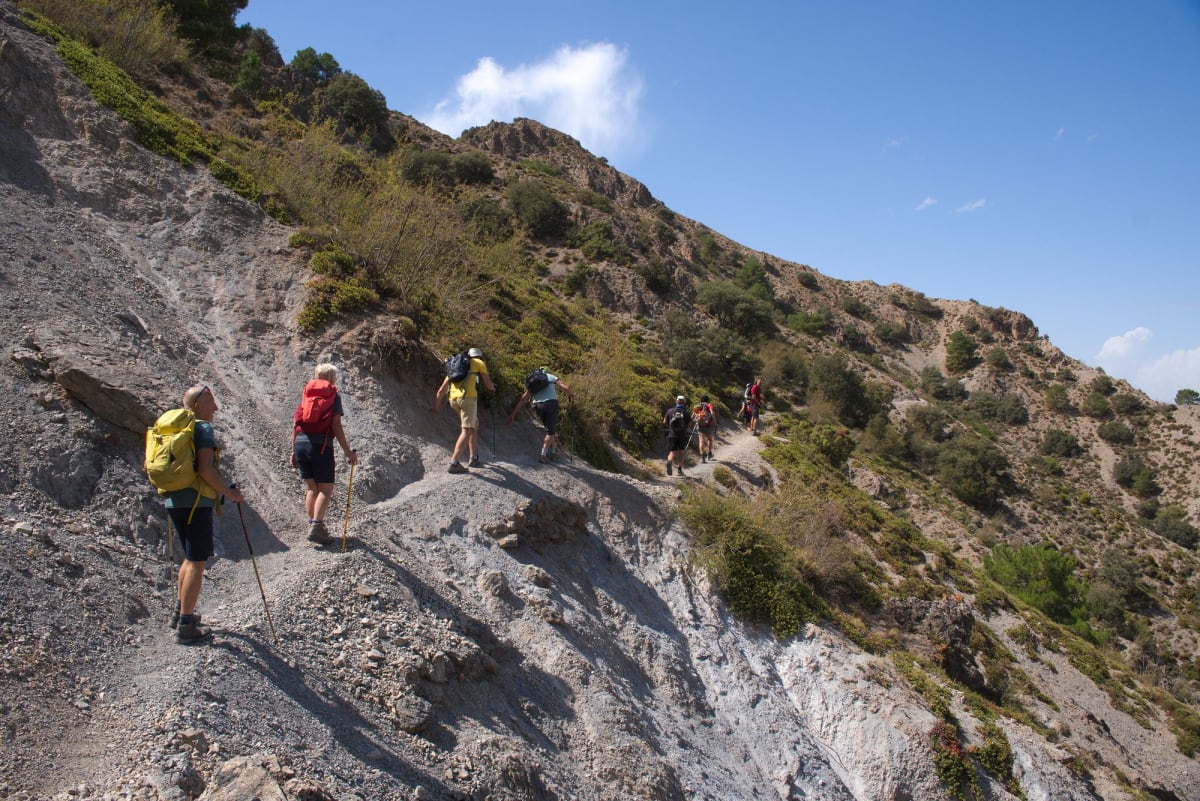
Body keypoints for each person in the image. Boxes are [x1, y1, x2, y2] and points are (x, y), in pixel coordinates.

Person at [165, 384, 243, 645]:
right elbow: (206, 471)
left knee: (189, 557)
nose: (216, 408)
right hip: (196, 502)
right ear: (197, 404)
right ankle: (186, 624)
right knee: (198, 561)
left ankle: (180, 612)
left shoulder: (176, 427)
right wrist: (229, 494)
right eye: (211, 402)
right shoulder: (202, 429)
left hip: (174, 499)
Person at [291, 363, 358, 546]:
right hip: (320, 446)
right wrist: (347, 451)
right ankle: (317, 526)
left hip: (301, 444)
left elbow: (296, 421)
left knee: (311, 489)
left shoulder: (307, 393)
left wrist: (293, 449)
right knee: (325, 489)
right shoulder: (333, 395)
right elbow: (336, 424)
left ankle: (314, 525)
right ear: (331, 378)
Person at [432, 347, 496, 473]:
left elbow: (441, 391)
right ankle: (454, 463)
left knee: (474, 424)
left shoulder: (455, 366)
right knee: (466, 430)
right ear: (479, 356)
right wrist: (493, 388)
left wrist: (436, 406)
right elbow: (489, 385)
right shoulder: (478, 363)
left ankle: (474, 457)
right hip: (468, 399)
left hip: (453, 400)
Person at [505, 367, 575, 463]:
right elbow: (563, 386)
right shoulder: (550, 377)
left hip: (537, 406)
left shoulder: (533, 382)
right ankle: (543, 455)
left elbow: (523, 399)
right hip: (551, 404)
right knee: (550, 432)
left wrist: (513, 415)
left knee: (550, 428)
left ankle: (553, 452)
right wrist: (571, 394)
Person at [662, 395, 692, 476]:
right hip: (682, 435)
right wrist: (685, 429)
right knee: (681, 453)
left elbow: (664, 422)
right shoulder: (686, 412)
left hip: (672, 434)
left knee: (672, 452)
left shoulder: (670, 410)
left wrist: (671, 428)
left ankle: (669, 462)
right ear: (684, 403)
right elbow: (689, 424)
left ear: (676, 401)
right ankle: (679, 470)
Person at [692, 395, 717, 462]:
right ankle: (709, 454)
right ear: (708, 400)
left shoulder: (697, 406)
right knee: (710, 439)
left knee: (701, 441)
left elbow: (692, 416)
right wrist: (715, 423)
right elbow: (712, 413)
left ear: (701, 400)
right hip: (709, 425)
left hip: (700, 426)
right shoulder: (709, 405)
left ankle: (702, 457)